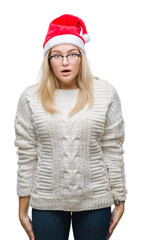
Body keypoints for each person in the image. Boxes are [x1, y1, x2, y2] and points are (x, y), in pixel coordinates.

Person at [14, 14, 128, 240]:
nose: (65, 62)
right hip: (47, 202)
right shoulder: (30, 98)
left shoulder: (105, 93)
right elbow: (26, 154)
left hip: (95, 202)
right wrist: (22, 208)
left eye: (72, 54)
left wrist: (120, 199)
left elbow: (112, 149)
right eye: (57, 55)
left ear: (81, 58)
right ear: (49, 60)